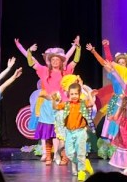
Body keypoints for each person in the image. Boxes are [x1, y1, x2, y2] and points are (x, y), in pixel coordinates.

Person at [14, 35, 80, 165]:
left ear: (61, 61)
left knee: (61, 132)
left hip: (61, 104)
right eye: (53, 59)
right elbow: (31, 62)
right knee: (47, 131)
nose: (55, 61)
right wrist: (28, 51)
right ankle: (48, 156)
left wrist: (77, 48)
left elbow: (75, 61)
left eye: (57, 59)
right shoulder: (44, 71)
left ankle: (60, 154)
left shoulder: (66, 71)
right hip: (47, 105)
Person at [52, 79, 97, 182]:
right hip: (69, 132)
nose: (74, 96)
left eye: (76, 94)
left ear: (79, 94)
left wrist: (88, 92)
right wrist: (53, 100)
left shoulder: (83, 103)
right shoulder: (66, 104)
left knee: (80, 152)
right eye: (72, 94)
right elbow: (55, 107)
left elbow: (91, 103)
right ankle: (85, 163)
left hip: (80, 132)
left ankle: (81, 171)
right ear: (69, 94)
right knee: (69, 153)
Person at [84, 41, 126, 141]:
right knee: (111, 120)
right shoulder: (114, 73)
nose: (121, 65)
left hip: (126, 100)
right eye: (119, 63)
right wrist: (96, 50)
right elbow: (105, 62)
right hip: (115, 100)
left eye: (123, 63)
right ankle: (112, 141)